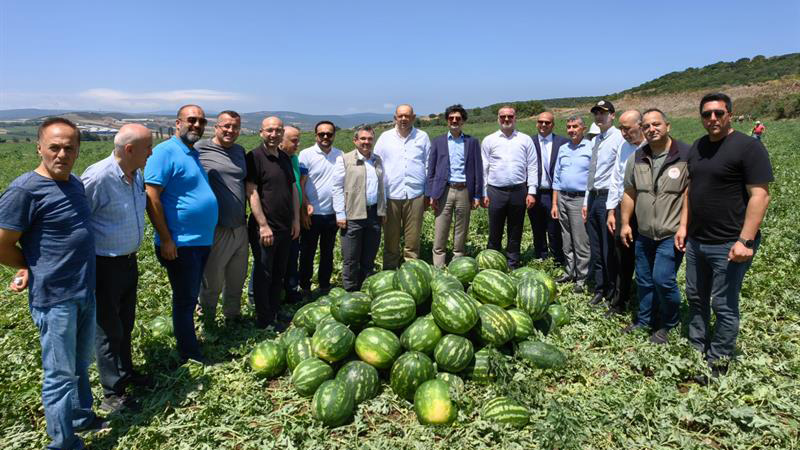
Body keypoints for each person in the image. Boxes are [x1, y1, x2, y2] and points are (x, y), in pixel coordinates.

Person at [0, 118, 108, 449]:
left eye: (69, 148)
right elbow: (3, 244)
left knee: (79, 364)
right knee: (59, 375)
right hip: (55, 298)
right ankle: (63, 443)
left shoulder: (74, 183)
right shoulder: (25, 190)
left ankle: (81, 417)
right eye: (54, 147)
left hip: (84, 289)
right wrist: (30, 266)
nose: (62, 154)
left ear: (77, 150)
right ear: (39, 147)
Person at [676, 93, 773, 380]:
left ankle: (717, 362)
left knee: (723, 303)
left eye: (719, 113)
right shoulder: (698, 147)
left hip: (729, 243)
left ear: (730, 114)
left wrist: (745, 241)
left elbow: (760, 196)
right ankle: (696, 349)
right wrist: (683, 227)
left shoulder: (747, 147)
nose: (713, 119)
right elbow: (689, 191)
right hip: (697, 241)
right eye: (707, 114)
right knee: (695, 297)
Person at [82, 123, 153, 414]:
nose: (151, 152)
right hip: (104, 265)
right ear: (129, 149)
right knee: (108, 329)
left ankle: (125, 372)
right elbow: (78, 221)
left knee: (125, 324)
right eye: (148, 147)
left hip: (127, 261)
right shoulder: (98, 177)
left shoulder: (135, 174)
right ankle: (112, 393)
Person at [144, 105, 218, 363]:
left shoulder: (191, 152)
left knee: (190, 295)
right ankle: (189, 353)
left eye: (201, 121)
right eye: (191, 120)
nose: (197, 125)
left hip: (199, 241)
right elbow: (151, 196)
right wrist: (166, 238)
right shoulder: (164, 152)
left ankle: (190, 345)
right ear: (178, 123)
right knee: (185, 300)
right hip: (180, 243)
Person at [618, 109, 689, 344]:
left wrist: (684, 227)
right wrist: (626, 223)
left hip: (671, 233)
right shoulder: (636, 158)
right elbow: (629, 192)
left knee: (663, 279)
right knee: (645, 280)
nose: (651, 129)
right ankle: (644, 321)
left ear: (667, 125)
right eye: (647, 126)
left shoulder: (686, 155)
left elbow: (691, 195)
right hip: (644, 233)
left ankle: (670, 323)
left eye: (656, 124)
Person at [246, 116, 300, 329]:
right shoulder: (255, 157)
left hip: (286, 226)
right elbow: (251, 191)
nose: (274, 134)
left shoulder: (285, 158)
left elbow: (293, 190)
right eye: (269, 130)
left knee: (279, 272)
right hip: (266, 228)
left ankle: (275, 312)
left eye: (278, 130)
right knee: (264, 273)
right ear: (261, 132)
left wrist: (296, 219)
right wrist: (262, 225)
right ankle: (264, 319)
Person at [195, 111, 248, 326]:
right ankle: (207, 321)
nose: (230, 130)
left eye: (235, 127)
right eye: (226, 126)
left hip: (240, 225)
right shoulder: (200, 149)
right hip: (218, 227)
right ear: (216, 127)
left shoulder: (240, 151)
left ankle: (232, 318)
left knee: (237, 277)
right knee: (213, 279)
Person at [374, 104, 431, 269]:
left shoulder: (422, 137)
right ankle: (390, 273)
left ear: (413, 117)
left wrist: (427, 194)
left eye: (407, 116)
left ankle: (411, 274)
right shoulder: (385, 138)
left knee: (412, 242)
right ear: (395, 118)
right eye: (400, 116)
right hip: (391, 195)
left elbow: (428, 165)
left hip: (415, 195)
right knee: (391, 241)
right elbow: (377, 165)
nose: (404, 119)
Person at [426, 104, 483, 268]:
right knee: (440, 228)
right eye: (451, 118)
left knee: (461, 229)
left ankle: (457, 264)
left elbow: (478, 169)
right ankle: (438, 266)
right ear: (447, 121)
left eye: (458, 118)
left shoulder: (472, 142)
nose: (454, 121)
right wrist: (431, 195)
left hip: (465, 190)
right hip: (444, 190)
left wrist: (477, 195)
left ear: (463, 121)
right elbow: (431, 170)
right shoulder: (438, 142)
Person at [481, 106, 537, 269]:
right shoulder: (489, 140)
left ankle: (512, 262)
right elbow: (484, 168)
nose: (506, 120)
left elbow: (532, 167)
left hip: (519, 191)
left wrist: (532, 191)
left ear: (515, 118)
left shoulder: (525, 140)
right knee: (494, 228)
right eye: (503, 117)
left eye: (510, 117)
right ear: (498, 119)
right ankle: (492, 263)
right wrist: (484, 192)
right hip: (495, 191)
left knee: (515, 228)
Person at [332, 125, 386, 290]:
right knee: (351, 258)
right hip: (353, 215)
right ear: (355, 140)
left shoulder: (377, 160)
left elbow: (382, 187)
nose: (366, 142)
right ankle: (350, 290)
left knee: (368, 258)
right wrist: (340, 214)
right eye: (362, 138)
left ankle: (365, 289)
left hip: (373, 214)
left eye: (370, 139)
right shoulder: (344, 159)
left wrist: (383, 211)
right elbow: (337, 187)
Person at [604, 110, 646, 316]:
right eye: (621, 128)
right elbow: (616, 180)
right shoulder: (623, 147)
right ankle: (619, 301)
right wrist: (612, 210)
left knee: (646, 257)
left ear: (641, 125)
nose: (623, 133)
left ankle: (646, 305)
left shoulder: (652, 147)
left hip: (647, 210)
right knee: (621, 255)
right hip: (623, 208)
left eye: (627, 129)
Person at [584, 100, 625, 306]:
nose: (599, 117)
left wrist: (612, 206)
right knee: (596, 247)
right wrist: (585, 202)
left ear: (613, 115)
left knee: (609, 248)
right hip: (593, 196)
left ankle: (612, 290)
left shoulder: (619, 139)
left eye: (603, 113)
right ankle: (600, 288)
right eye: (596, 114)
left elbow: (619, 174)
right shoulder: (596, 139)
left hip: (608, 199)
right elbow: (591, 173)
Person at [298, 121, 343, 296]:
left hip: (331, 214)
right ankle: (305, 287)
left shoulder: (340, 155)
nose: (325, 137)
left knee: (328, 252)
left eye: (329, 134)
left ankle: (324, 285)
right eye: (321, 134)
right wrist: (304, 207)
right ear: (315, 135)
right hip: (312, 214)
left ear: (334, 135)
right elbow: (300, 185)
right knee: (308, 253)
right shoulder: (306, 155)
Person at [551, 116, 592, 292]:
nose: (571, 130)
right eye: (568, 127)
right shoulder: (563, 148)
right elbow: (557, 178)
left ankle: (583, 278)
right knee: (566, 238)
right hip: (562, 197)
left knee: (580, 240)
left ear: (583, 128)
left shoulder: (591, 147)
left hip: (579, 199)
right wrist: (554, 203)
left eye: (575, 126)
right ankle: (570, 271)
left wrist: (587, 203)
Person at [529, 111, 569, 265]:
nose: (543, 125)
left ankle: (558, 259)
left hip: (554, 193)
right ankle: (541, 256)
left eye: (547, 122)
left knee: (554, 228)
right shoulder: (529, 142)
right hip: (535, 192)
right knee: (536, 226)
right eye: (541, 122)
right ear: (536, 123)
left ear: (553, 124)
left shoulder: (563, 142)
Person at [280, 126, 304, 303]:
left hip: (293, 217)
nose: (298, 144)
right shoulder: (275, 160)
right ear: (282, 139)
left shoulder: (294, 159)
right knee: (270, 263)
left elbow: (297, 187)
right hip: (279, 220)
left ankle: (291, 292)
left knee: (292, 257)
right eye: (294, 140)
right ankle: (256, 299)